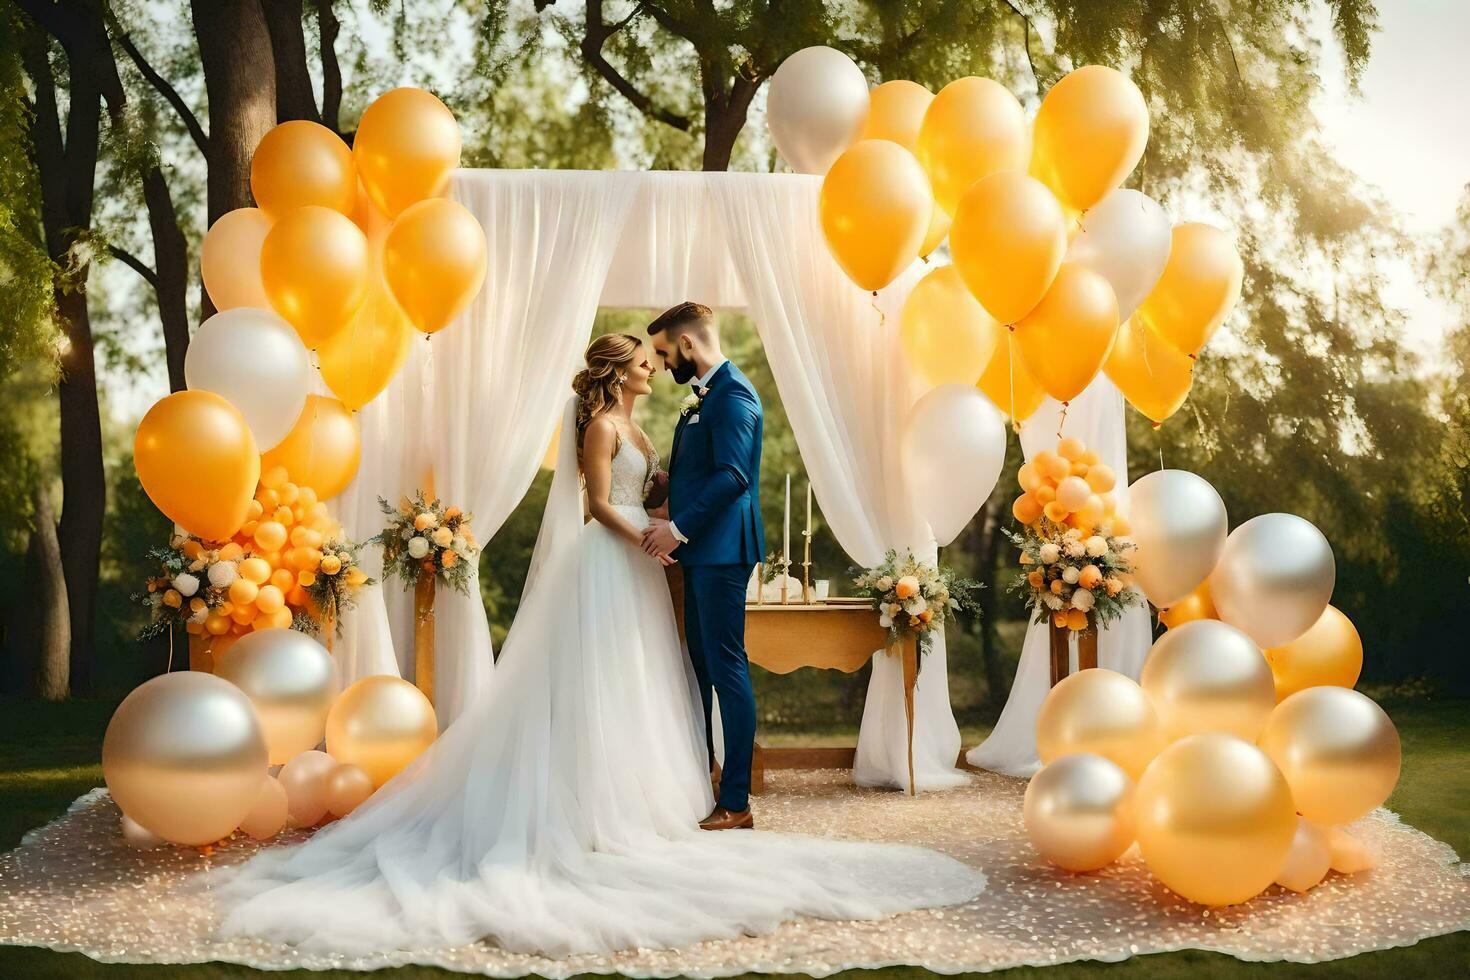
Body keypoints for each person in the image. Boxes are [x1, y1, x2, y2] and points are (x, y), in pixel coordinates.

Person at [214, 329, 985, 959]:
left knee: (641, 683)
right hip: (611, 562)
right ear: (620, 374)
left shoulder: (644, 426)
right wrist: (652, 536)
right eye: (645, 362)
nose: (656, 367)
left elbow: (648, 487)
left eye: (658, 357)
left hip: (643, 565)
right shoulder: (599, 426)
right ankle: (590, 809)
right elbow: (593, 503)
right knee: (600, 678)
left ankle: (648, 796)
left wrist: (663, 515)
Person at [642, 301, 762, 830]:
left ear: (688, 344)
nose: (665, 365)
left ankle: (736, 801)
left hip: (721, 552)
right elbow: (709, 471)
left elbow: (734, 477)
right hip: (702, 553)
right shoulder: (704, 398)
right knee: (702, 670)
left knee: (727, 670)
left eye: (667, 354)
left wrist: (677, 527)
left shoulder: (734, 396)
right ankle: (705, 780)